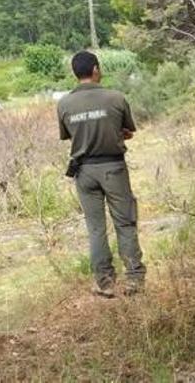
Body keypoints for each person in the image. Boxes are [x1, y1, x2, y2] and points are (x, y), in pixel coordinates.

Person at [57, 51, 145, 298]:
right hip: (113, 168)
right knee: (125, 222)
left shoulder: (64, 103)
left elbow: (69, 135)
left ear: (75, 73)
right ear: (96, 69)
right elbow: (127, 130)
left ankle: (104, 282)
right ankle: (134, 280)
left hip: (83, 172)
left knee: (95, 228)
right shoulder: (115, 97)